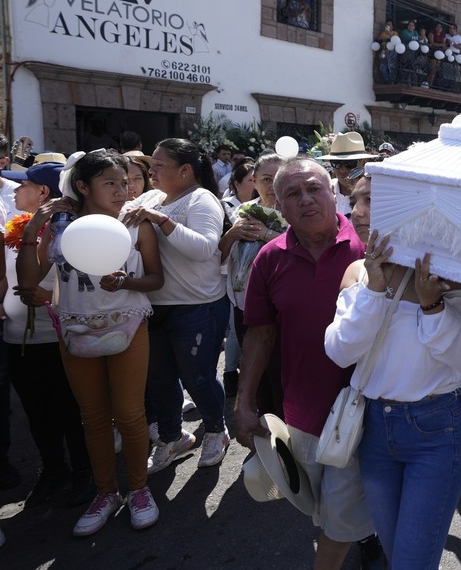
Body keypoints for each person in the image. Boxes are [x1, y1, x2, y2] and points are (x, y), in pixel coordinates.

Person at [323, 166, 461, 568]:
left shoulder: (450, 274)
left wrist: (433, 305)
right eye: (355, 199)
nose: (356, 211)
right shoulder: (358, 273)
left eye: (371, 200)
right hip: (375, 430)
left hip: (437, 430)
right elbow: (340, 352)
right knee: (398, 555)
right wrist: (374, 291)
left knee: (412, 561)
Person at [236, 159, 382, 570]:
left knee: (335, 523)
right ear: (277, 205)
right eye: (293, 194)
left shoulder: (370, 248)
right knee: (319, 507)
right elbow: (259, 334)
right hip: (301, 413)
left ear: (333, 192)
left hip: (363, 414)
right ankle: (367, 535)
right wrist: (244, 401)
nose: (306, 200)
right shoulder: (269, 259)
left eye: (314, 189)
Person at [17, 149, 164, 536]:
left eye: (124, 182)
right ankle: (105, 492)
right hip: (75, 331)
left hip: (129, 327)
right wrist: (34, 229)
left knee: (131, 415)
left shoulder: (136, 224)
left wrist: (127, 282)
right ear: (83, 186)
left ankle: (138, 489)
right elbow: (32, 283)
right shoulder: (62, 227)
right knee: (93, 418)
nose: (122, 190)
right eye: (109, 183)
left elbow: (155, 279)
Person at [123, 138, 231, 474]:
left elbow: (203, 249)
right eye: (151, 164)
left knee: (197, 378)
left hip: (197, 307)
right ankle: (172, 437)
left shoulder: (202, 201)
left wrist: (161, 220)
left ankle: (215, 429)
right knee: (159, 379)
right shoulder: (152, 197)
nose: (150, 171)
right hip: (154, 306)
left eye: (158, 165)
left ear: (185, 171)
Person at [1, 160, 92, 508]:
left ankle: (83, 471)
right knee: (36, 413)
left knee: (70, 411)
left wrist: (47, 298)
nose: (15, 189)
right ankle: (53, 470)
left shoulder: (64, 232)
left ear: (43, 193)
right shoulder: (16, 226)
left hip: (55, 338)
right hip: (17, 338)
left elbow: (75, 284)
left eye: (23, 184)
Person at [219, 153, 289, 409]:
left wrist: (270, 234)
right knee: (252, 369)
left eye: (278, 179)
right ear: (253, 180)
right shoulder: (240, 212)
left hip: (282, 308)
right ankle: (262, 424)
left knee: (280, 371)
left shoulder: (296, 211)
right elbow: (220, 257)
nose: (272, 186)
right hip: (244, 304)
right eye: (266, 179)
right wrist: (231, 234)